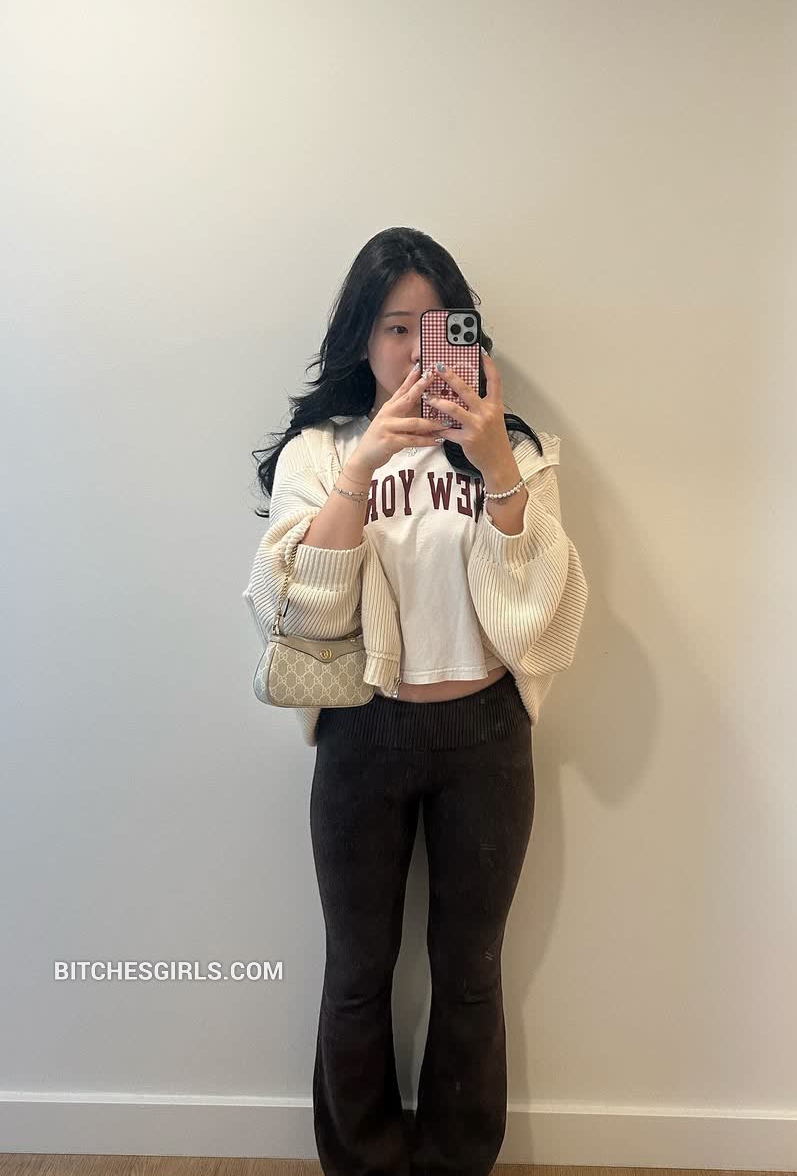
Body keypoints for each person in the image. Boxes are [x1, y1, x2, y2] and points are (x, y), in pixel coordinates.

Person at [246, 226, 588, 1175]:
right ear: (362, 338)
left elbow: (543, 621)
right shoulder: (322, 453)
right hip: (363, 733)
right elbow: (299, 610)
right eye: (396, 327)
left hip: (486, 738)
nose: (415, 349)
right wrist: (362, 471)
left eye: (438, 326)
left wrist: (499, 468)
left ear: (468, 337)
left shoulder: (514, 452)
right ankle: (361, 1163)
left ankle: (454, 1163)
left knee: (470, 974)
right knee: (357, 971)